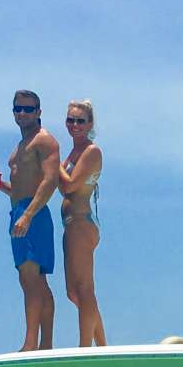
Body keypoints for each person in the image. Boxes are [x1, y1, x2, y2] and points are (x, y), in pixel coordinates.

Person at [0, 89, 60, 351]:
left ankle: (34, 342)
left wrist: (29, 215)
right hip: (19, 211)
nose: (22, 113)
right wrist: (1, 187)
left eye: (28, 109)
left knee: (32, 278)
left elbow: (50, 180)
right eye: (17, 108)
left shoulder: (45, 141)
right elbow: (22, 187)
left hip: (34, 214)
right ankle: (42, 344)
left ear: (39, 112)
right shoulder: (19, 146)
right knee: (31, 280)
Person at [58, 98, 106, 347]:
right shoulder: (72, 153)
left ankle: (86, 346)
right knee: (74, 292)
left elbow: (69, 185)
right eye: (70, 119)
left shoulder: (91, 151)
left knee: (85, 288)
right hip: (70, 223)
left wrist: (52, 162)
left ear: (89, 124)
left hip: (81, 222)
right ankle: (102, 345)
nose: (74, 125)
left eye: (80, 120)